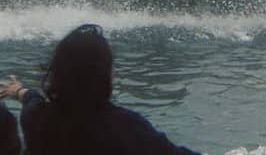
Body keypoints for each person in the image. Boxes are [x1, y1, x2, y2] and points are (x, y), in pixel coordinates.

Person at [0, 24, 200, 155]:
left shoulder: (36, 118)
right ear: (104, 75)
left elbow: (32, 99)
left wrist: (18, 91)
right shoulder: (127, 126)